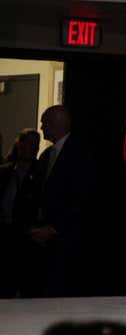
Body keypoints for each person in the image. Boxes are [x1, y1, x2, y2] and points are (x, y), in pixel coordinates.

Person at [19, 106, 93, 297]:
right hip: (42, 243)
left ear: (55, 124)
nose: (42, 128)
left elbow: (82, 198)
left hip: (68, 243)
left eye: (45, 123)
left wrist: (55, 228)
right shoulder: (45, 156)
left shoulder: (80, 153)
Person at [0, 130, 41, 297]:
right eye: (26, 143)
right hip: (4, 235)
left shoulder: (40, 172)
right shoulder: (4, 172)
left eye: (33, 145)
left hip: (25, 239)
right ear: (19, 144)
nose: (29, 148)